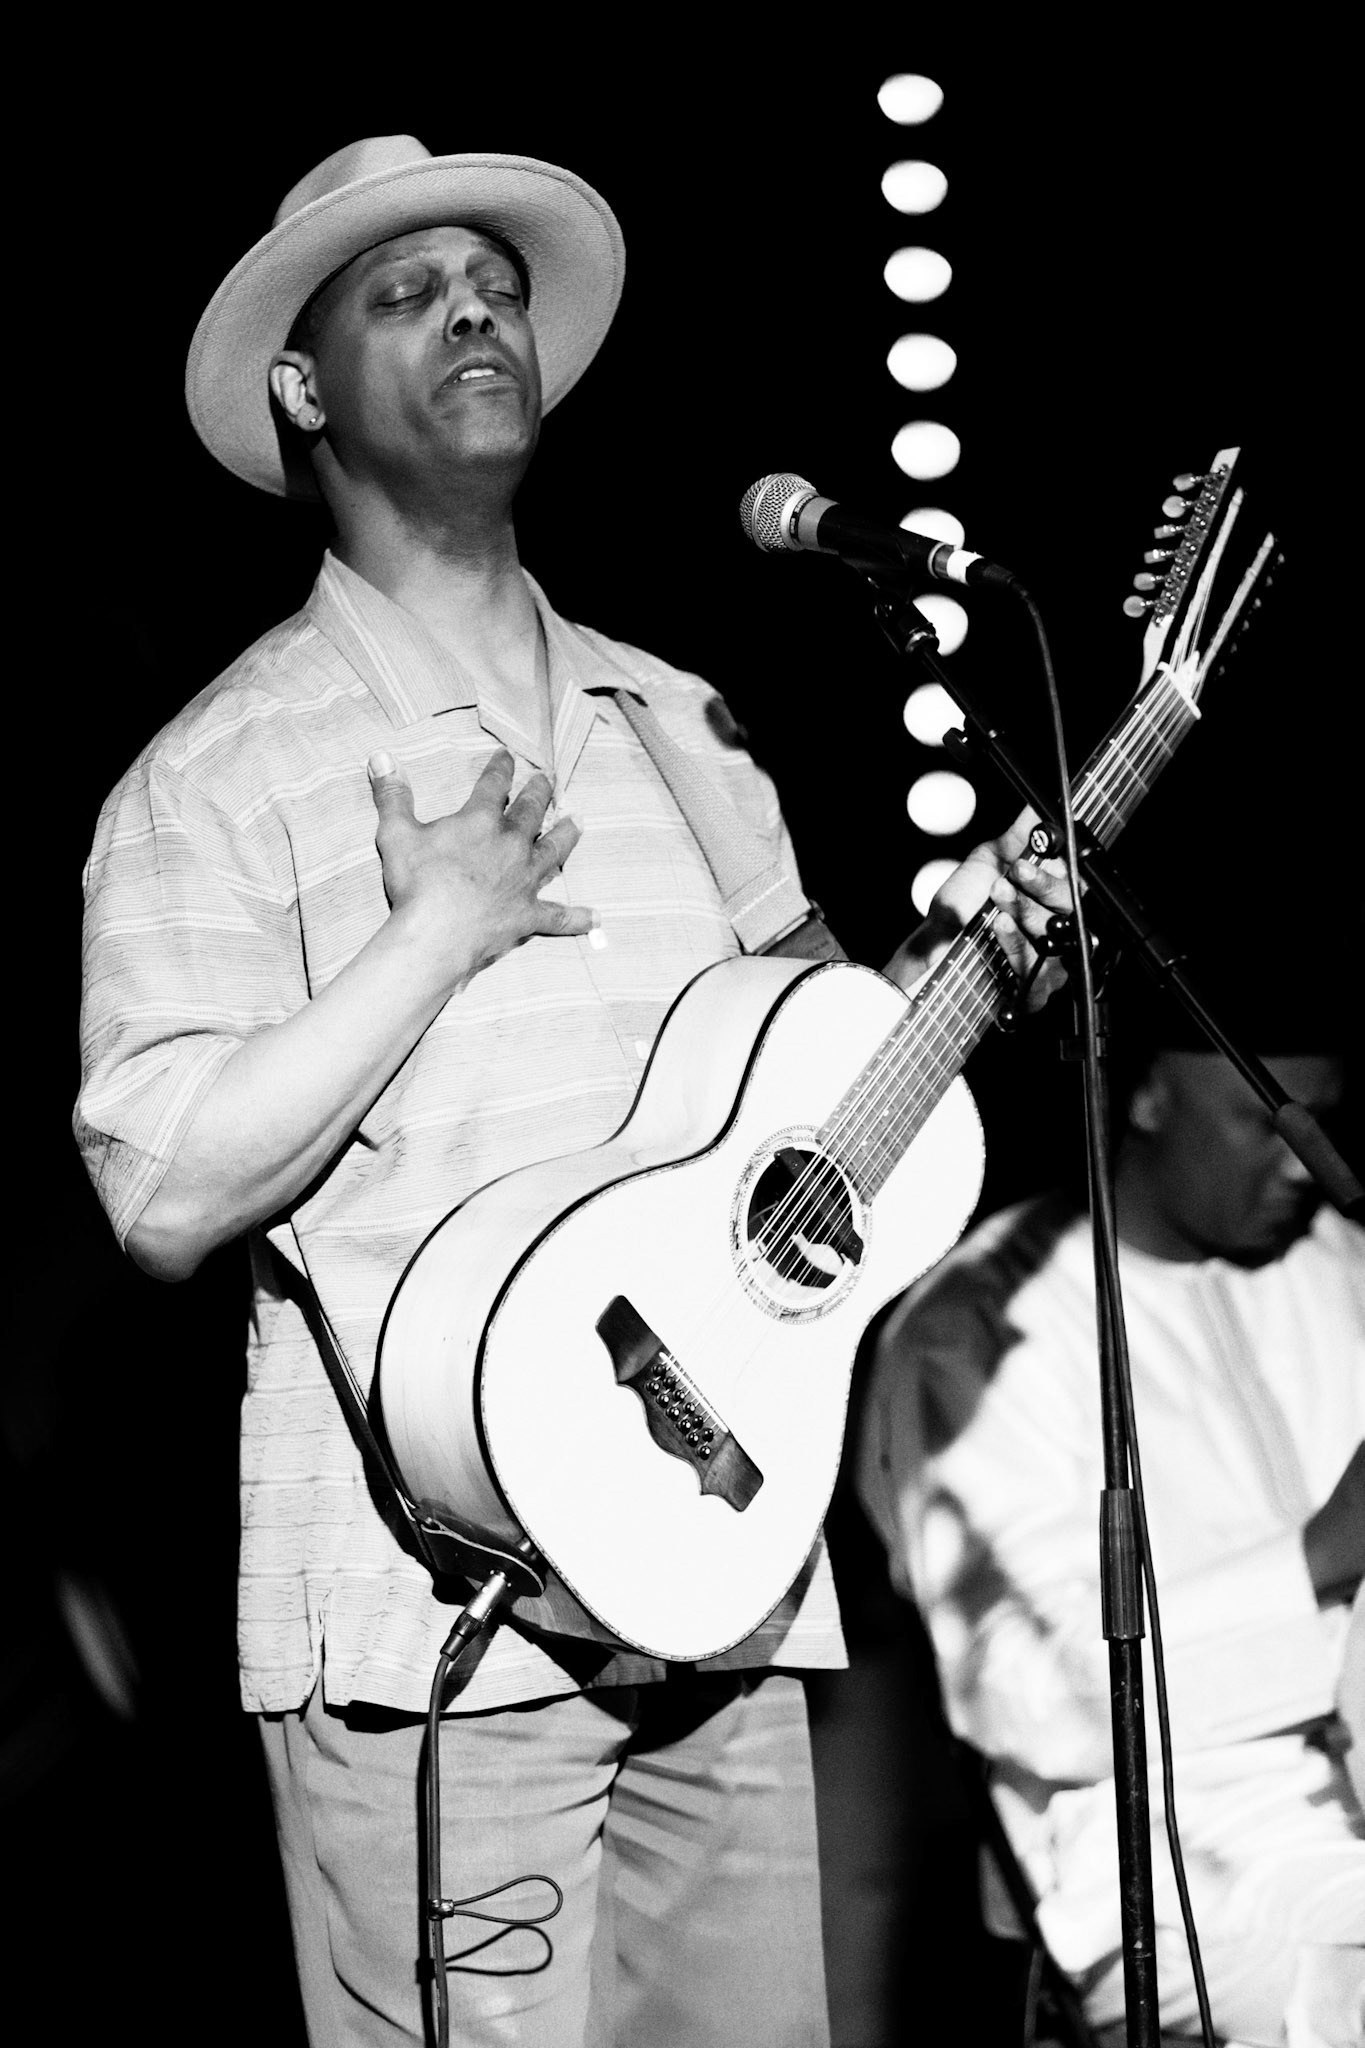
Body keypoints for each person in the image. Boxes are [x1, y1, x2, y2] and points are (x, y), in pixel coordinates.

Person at [75, 135, 1071, 2048]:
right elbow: (163, 1192)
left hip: (717, 1582)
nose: (474, 309)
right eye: (404, 290)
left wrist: (980, 971)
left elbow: (815, 1100)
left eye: (496, 283)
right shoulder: (211, 777)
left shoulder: (679, 720)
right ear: (302, 388)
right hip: (427, 1637)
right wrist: (432, 931)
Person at [858, 991, 1365, 2047]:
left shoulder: (1347, 1268)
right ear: (1141, 1093)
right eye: (1263, 1123)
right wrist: (1317, 1557)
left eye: (1323, 1125)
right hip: (1186, 1857)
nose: (1302, 1167)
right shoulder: (978, 1329)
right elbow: (1027, 1692)